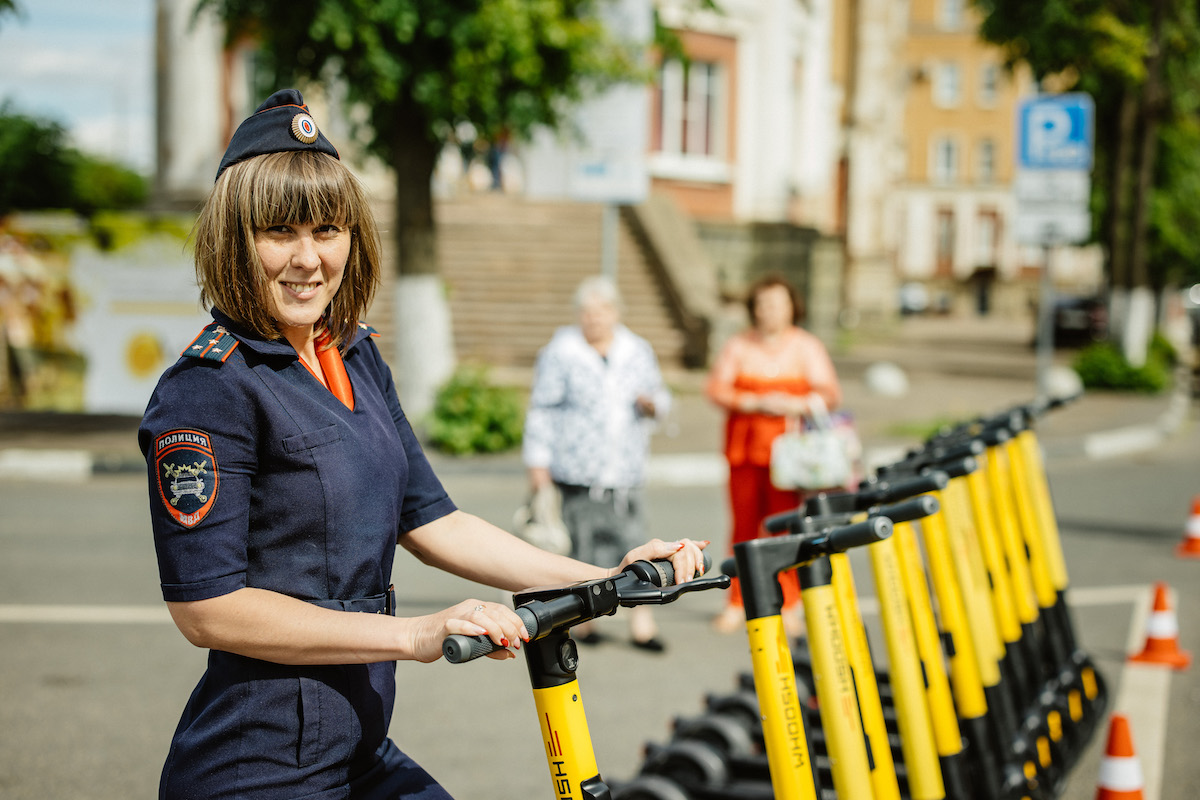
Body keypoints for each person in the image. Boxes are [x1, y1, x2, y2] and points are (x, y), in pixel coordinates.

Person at [138, 89, 707, 800]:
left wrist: (596, 578)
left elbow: (431, 518)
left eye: (328, 229)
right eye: (278, 232)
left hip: (360, 748)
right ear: (234, 239)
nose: (308, 259)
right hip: (260, 767)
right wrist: (414, 634)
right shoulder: (211, 387)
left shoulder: (354, 355)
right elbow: (208, 610)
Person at [522, 275, 678, 652]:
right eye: (587, 312)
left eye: (602, 311)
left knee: (635, 544)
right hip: (577, 469)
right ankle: (587, 622)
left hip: (624, 470)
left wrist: (654, 404)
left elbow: (659, 393)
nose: (594, 319)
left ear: (615, 313)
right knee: (584, 549)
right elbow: (543, 409)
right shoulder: (561, 351)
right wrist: (538, 464)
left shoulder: (636, 349)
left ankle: (642, 621)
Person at [705, 274, 842, 635]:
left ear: (792, 307)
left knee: (784, 528)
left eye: (778, 303)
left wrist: (794, 403)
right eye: (763, 304)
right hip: (745, 452)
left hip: (790, 457)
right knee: (744, 527)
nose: (770, 311)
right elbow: (716, 388)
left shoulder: (806, 346)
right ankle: (737, 600)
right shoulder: (738, 346)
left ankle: (789, 601)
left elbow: (829, 393)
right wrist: (754, 401)